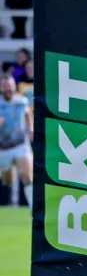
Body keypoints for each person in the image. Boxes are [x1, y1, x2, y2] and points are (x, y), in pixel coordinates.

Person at [0, 73, 33, 210]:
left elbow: (28, 114)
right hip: (2, 147)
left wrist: (30, 129)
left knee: (27, 175)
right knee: (7, 180)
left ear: (14, 86)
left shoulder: (22, 100)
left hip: (20, 144)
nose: (8, 89)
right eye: (5, 87)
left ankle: (34, 208)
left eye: (10, 86)